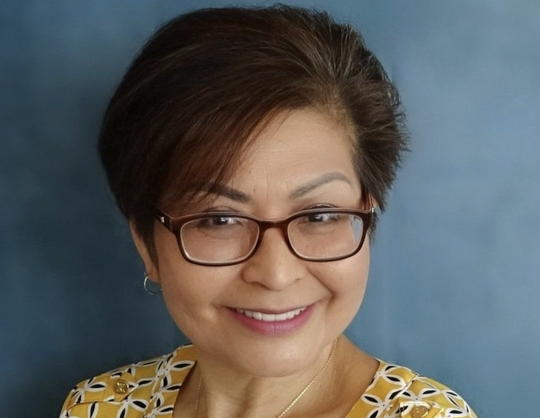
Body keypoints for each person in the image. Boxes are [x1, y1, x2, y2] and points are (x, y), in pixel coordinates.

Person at [60, 5, 478, 418]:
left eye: (319, 216)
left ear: (367, 220)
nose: (276, 274)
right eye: (219, 220)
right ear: (145, 243)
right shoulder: (101, 405)